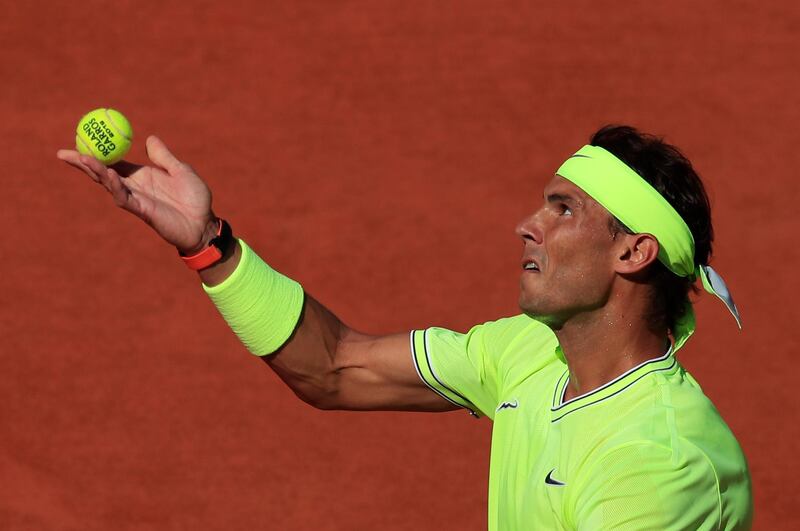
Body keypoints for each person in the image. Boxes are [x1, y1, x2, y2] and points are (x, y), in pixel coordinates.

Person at [58, 124, 753, 530]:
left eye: (564, 210)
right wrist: (208, 241)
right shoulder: (529, 352)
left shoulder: (658, 463)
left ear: (633, 252)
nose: (528, 223)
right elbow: (336, 365)